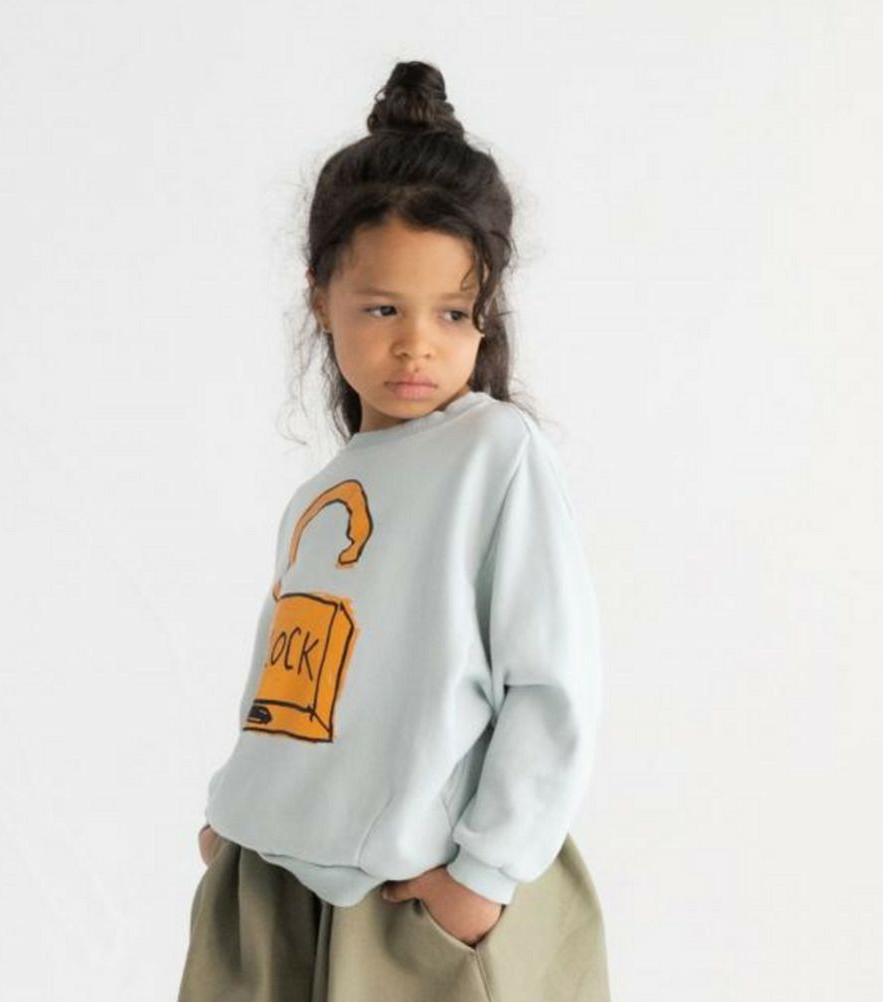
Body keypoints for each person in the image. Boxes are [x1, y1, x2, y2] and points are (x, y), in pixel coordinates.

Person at [177, 59, 612, 1002]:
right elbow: (294, 672)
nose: (418, 343)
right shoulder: (326, 492)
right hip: (273, 883)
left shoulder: (495, 455)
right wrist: (236, 808)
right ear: (319, 296)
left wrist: (485, 875)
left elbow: (552, 681)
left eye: (453, 312)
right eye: (382, 308)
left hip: (411, 898)